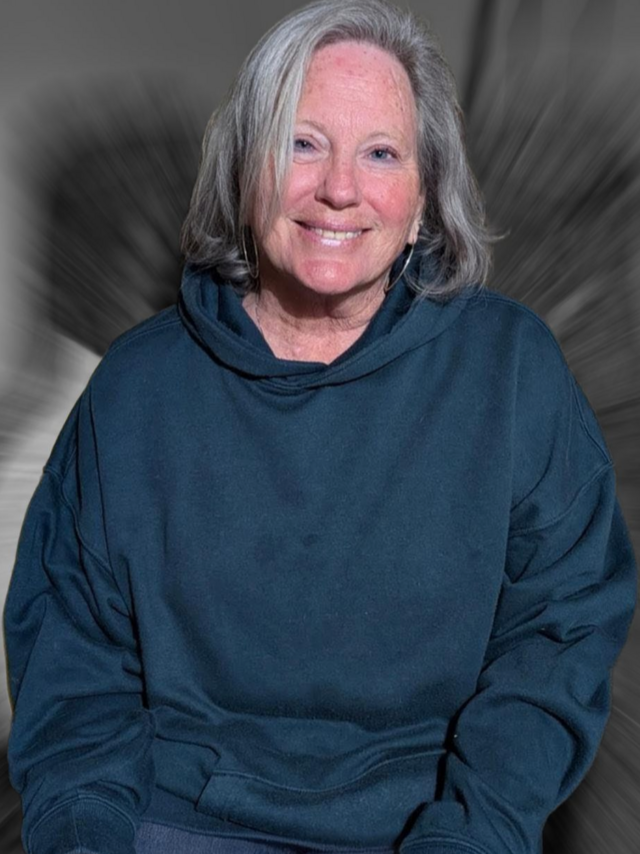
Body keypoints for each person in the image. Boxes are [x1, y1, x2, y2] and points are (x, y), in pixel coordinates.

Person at [4, 2, 636, 854]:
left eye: (381, 153)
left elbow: (560, 629)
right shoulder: (135, 391)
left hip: (440, 827)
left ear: (424, 199)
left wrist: (474, 833)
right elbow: (74, 664)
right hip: (177, 821)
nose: (339, 188)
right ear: (244, 171)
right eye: (302, 143)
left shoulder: (513, 371)